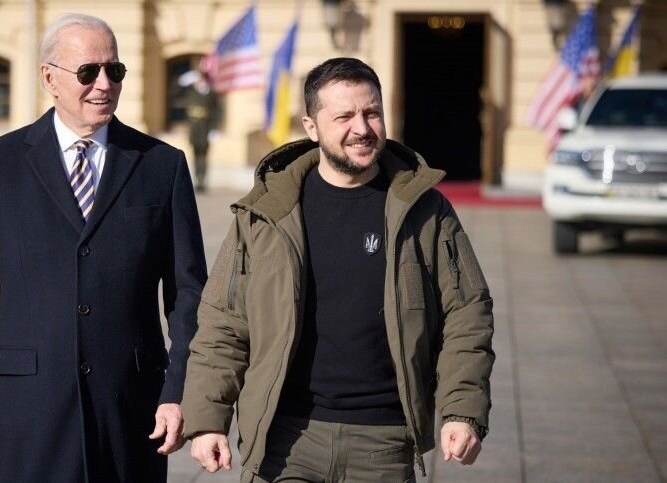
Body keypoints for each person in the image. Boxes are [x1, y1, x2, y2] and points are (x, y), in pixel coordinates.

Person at [182, 57, 495, 482]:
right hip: (283, 442)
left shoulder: (425, 211)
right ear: (311, 127)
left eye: (372, 113)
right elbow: (224, 322)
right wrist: (207, 418)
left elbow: (467, 313)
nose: (362, 128)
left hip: (383, 445)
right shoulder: (266, 213)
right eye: (344, 117)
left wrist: (462, 410)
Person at [0, 13, 207, 483]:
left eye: (114, 70)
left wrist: (179, 391)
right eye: (88, 71)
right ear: (50, 78)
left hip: (133, 410)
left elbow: (190, 296)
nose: (104, 84)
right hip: (30, 410)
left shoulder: (162, 166)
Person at [184, 70, 218, 193]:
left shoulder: (210, 93)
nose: (199, 81)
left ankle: (202, 181)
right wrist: (187, 80)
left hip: (205, 128)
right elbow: (178, 91)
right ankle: (196, 180)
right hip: (194, 129)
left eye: (201, 79)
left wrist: (213, 129)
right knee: (195, 155)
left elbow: (216, 112)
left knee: (203, 157)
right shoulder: (192, 91)